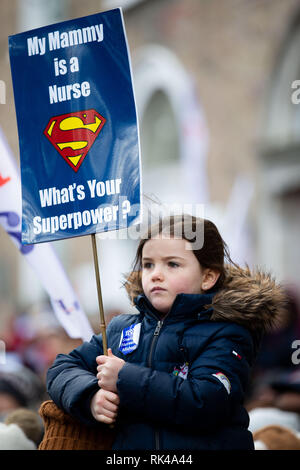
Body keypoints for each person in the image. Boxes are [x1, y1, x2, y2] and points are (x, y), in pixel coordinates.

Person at [46, 215, 286, 450]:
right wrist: (91, 396)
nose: (156, 274)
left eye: (172, 264)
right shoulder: (122, 328)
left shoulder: (227, 332)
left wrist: (123, 378)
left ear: (208, 277)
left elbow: (207, 401)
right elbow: (61, 368)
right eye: (148, 264)